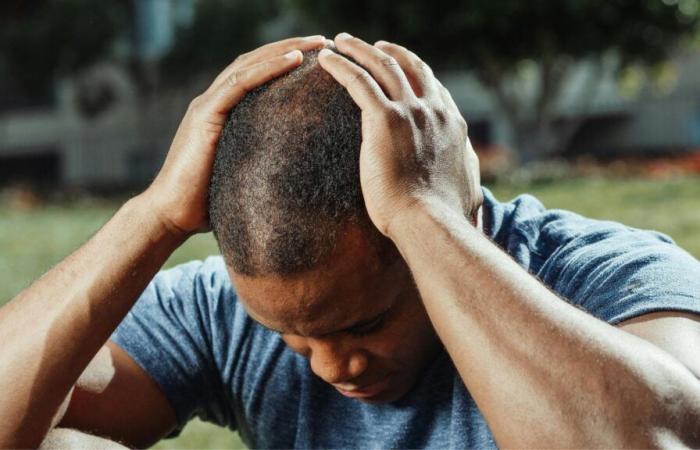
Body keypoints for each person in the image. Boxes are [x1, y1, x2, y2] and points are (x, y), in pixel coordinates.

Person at [1, 33, 699, 449]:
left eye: (365, 323)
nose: (335, 367)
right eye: (297, 341)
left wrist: (426, 215)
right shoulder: (225, 312)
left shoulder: (608, 274)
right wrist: (151, 216)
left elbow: (655, 441)